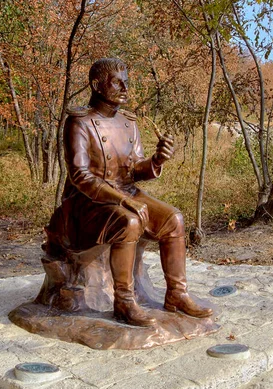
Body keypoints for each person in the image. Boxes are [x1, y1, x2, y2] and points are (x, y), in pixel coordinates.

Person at [46, 58, 212, 327]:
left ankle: (177, 294)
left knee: (174, 219)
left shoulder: (127, 121)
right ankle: (124, 301)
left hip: (126, 191)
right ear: (96, 85)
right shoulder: (79, 123)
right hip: (88, 202)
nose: (125, 88)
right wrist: (122, 200)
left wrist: (157, 160)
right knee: (129, 221)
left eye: (126, 82)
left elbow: (134, 170)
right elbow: (80, 177)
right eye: (117, 82)